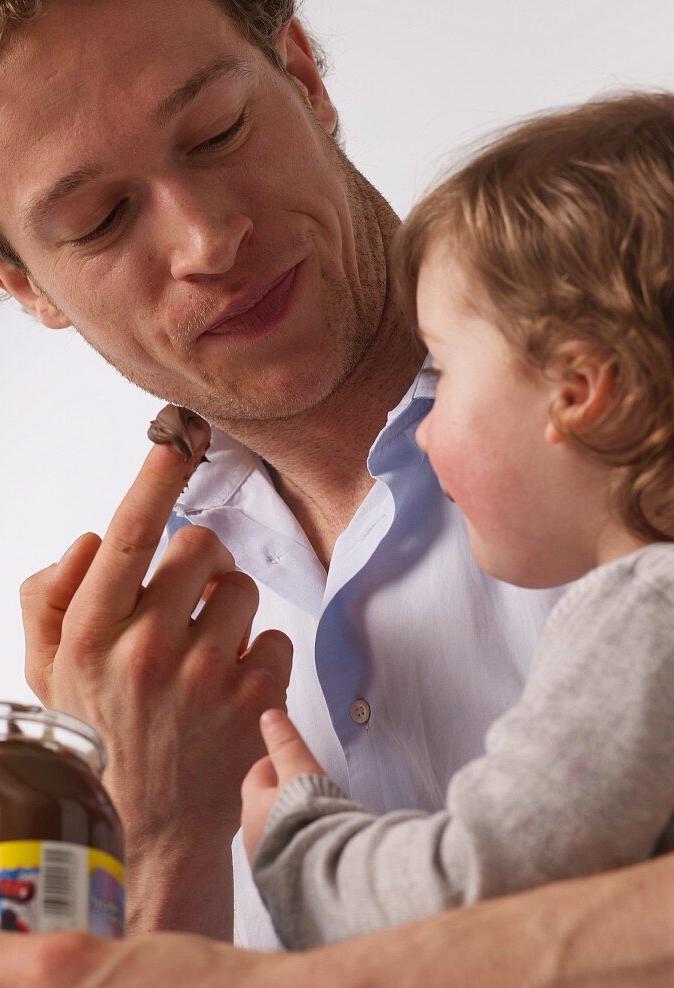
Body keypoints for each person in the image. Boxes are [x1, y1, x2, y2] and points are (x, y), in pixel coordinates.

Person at [0, 0, 673, 983]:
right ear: (21, 282)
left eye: (217, 130)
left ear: (305, 73)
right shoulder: (153, 665)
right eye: (98, 221)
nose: (206, 238)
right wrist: (152, 830)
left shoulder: (641, 382)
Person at [241, 92, 674, 949]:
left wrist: (300, 847)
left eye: (441, 365)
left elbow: (486, 887)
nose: (422, 421)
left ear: (577, 391)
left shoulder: (646, 611)